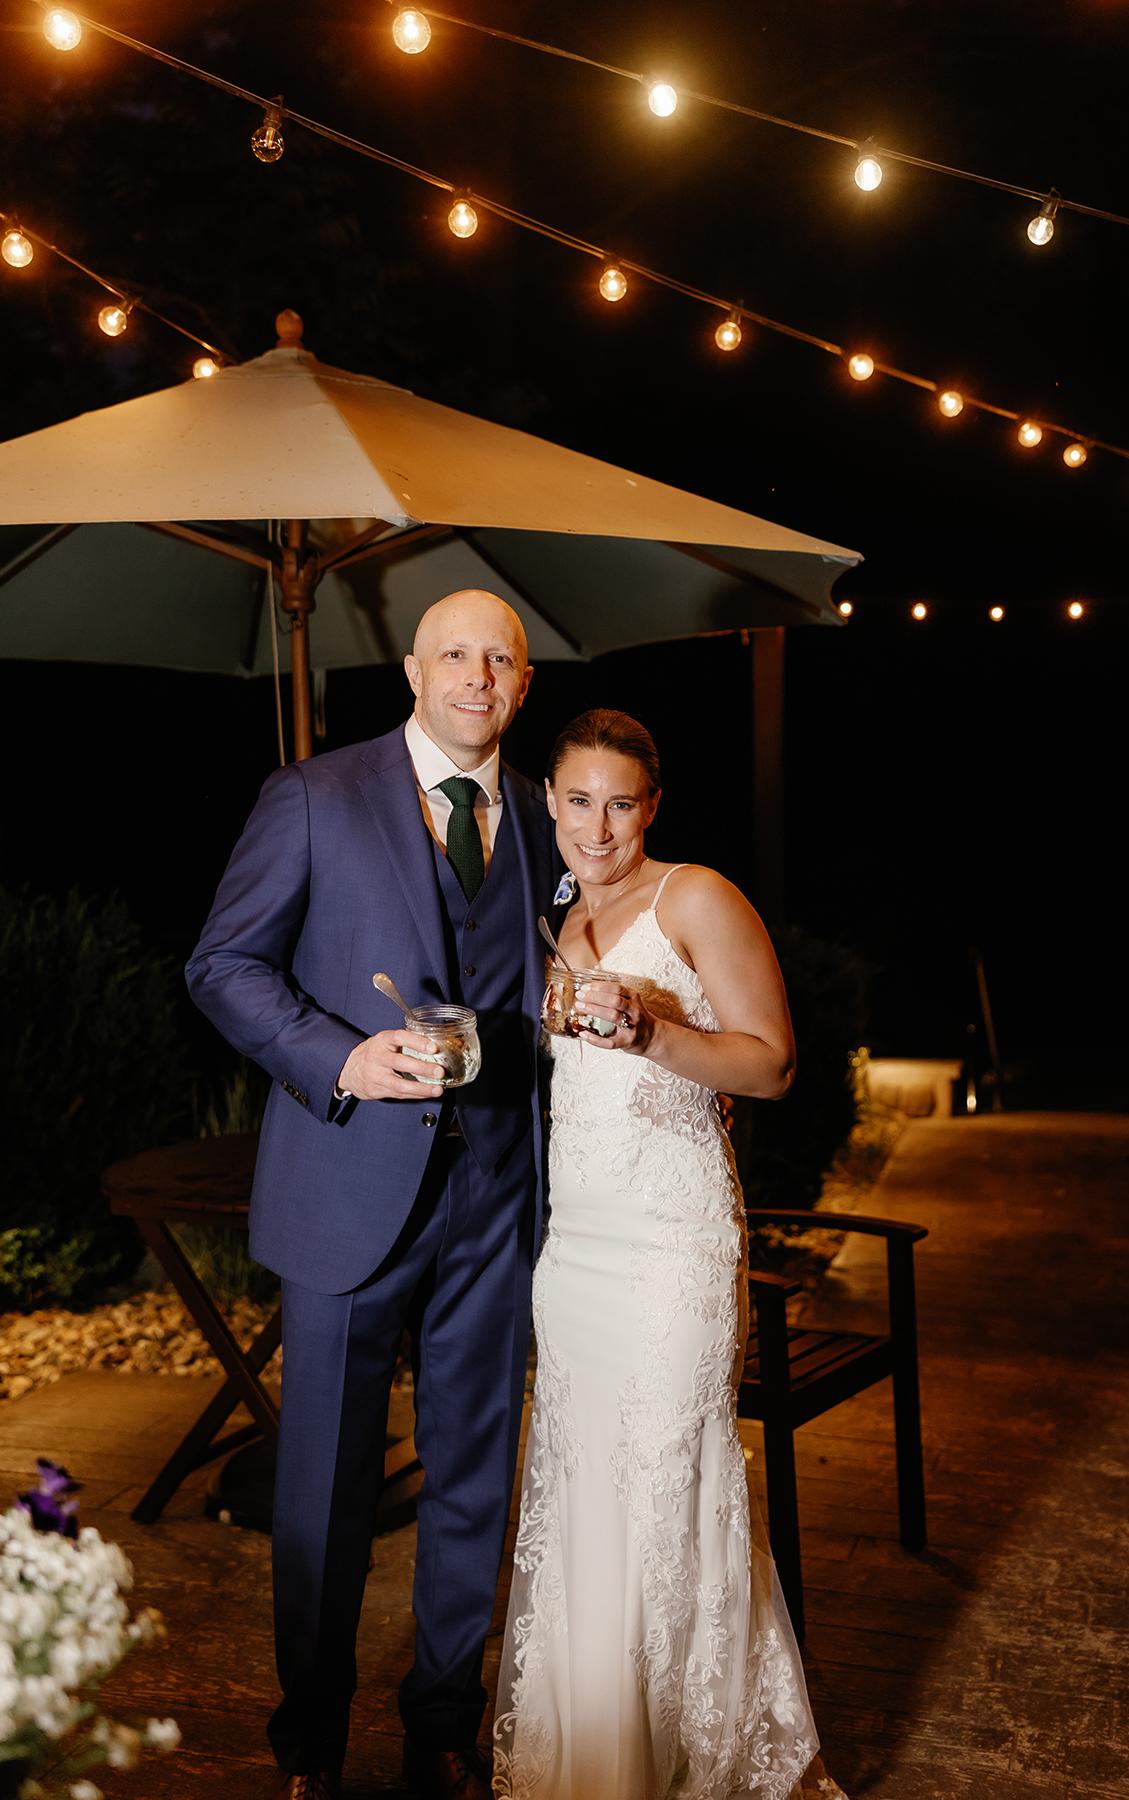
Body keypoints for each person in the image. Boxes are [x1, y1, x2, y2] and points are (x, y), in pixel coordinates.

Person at [186, 591, 557, 1800]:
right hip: (348, 1190)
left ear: (523, 683)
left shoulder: (550, 819)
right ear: (411, 667)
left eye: (500, 658)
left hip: (498, 1195)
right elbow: (223, 966)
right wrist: (337, 1057)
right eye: (456, 652)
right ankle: (314, 1738)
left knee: (473, 1474)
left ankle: (441, 1721)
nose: (477, 675)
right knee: (326, 1487)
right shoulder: (313, 796)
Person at [492, 709, 847, 1800]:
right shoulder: (548, 918)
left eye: (623, 803)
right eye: (579, 801)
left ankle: (685, 1759)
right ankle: (590, 1752)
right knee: (582, 1487)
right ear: (546, 802)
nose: (599, 827)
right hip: (577, 1252)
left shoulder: (694, 895)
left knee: (663, 1490)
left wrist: (655, 1034)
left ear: (653, 808)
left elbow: (774, 1065)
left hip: (671, 1250)